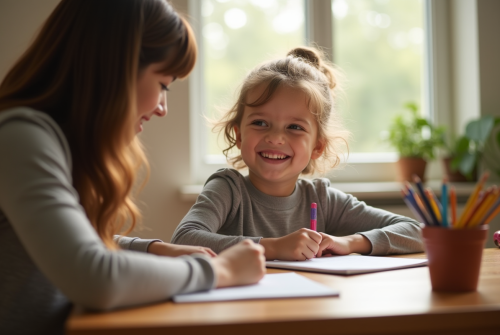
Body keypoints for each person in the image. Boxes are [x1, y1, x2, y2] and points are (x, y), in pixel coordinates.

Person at [0, 1, 266, 334]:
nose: (162, 108)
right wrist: (221, 270)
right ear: (115, 67)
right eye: (163, 85)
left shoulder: (50, 140)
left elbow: (71, 244)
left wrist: (155, 249)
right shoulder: (20, 137)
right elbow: (92, 276)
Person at [171, 46, 424, 261]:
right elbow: (184, 239)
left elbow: (417, 231)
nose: (275, 137)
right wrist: (273, 247)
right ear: (238, 134)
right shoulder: (228, 190)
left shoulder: (322, 199)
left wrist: (350, 243)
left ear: (317, 146)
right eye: (260, 123)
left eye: (294, 127)